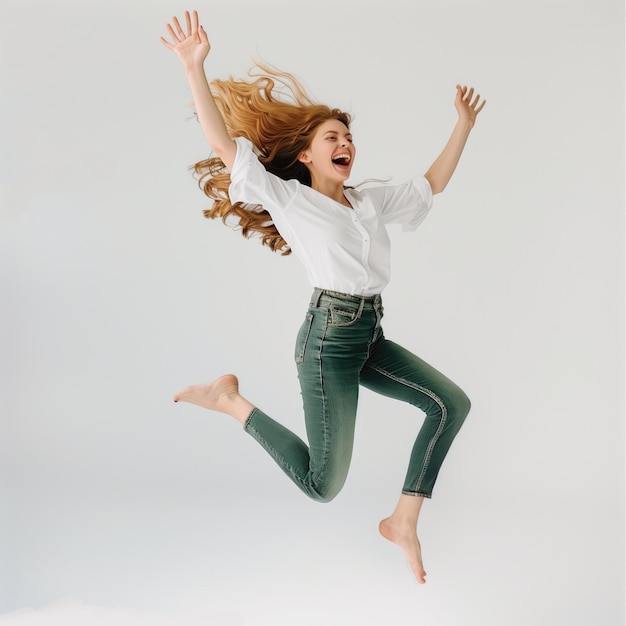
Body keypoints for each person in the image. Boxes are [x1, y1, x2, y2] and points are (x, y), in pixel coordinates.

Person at [160, 9, 485, 585]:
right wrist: (194, 68)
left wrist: (462, 123)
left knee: (450, 404)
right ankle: (231, 401)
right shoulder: (289, 199)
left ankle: (403, 520)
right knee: (322, 485)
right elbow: (224, 145)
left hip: (369, 334)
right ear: (307, 156)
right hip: (327, 341)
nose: (346, 144)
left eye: (349, 138)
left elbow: (431, 184)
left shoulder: (369, 201)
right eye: (332, 138)